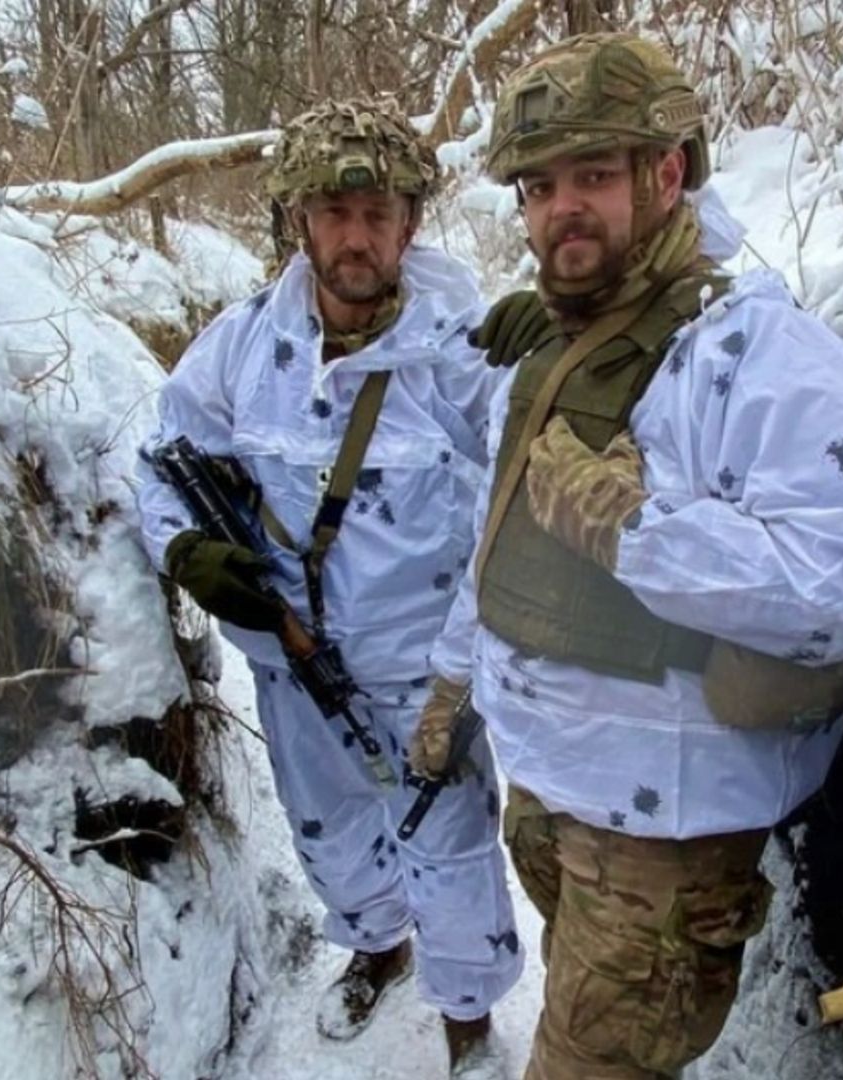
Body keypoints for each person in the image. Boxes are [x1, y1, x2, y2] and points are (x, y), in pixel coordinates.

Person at [414, 34, 843, 1080]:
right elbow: (502, 533)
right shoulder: (565, 338)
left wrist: (631, 527)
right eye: (540, 185)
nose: (563, 208)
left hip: (659, 841)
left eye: (594, 176)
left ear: (668, 172)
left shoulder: (750, 351)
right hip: (553, 798)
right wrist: (453, 678)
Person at [135, 99, 520, 1079]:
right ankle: (376, 946)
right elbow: (159, 462)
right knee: (333, 828)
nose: (355, 236)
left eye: (377, 212)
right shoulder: (242, 350)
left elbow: (511, 519)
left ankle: (467, 1015)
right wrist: (187, 550)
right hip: (291, 666)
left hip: (428, 667)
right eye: (333, 211)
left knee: (450, 837)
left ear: (410, 223)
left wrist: (461, 671)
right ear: (299, 219)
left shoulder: (463, 355)